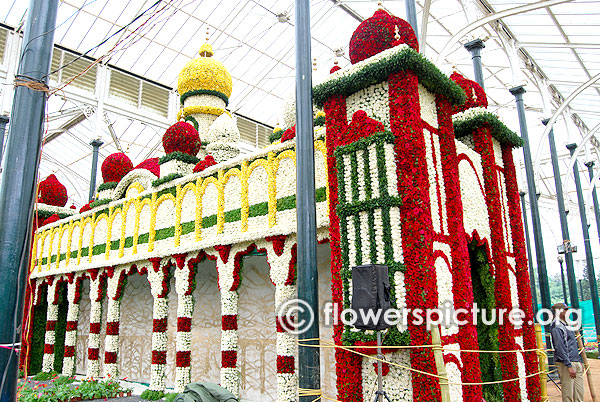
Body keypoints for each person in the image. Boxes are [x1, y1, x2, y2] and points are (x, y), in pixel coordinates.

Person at [550, 302, 584, 402]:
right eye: (565, 309)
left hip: (574, 360)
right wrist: (569, 365)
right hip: (566, 363)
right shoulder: (557, 326)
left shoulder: (565, 324)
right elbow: (559, 347)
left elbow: (573, 344)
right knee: (568, 392)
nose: (568, 311)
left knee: (579, 391)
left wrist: (579, 361)